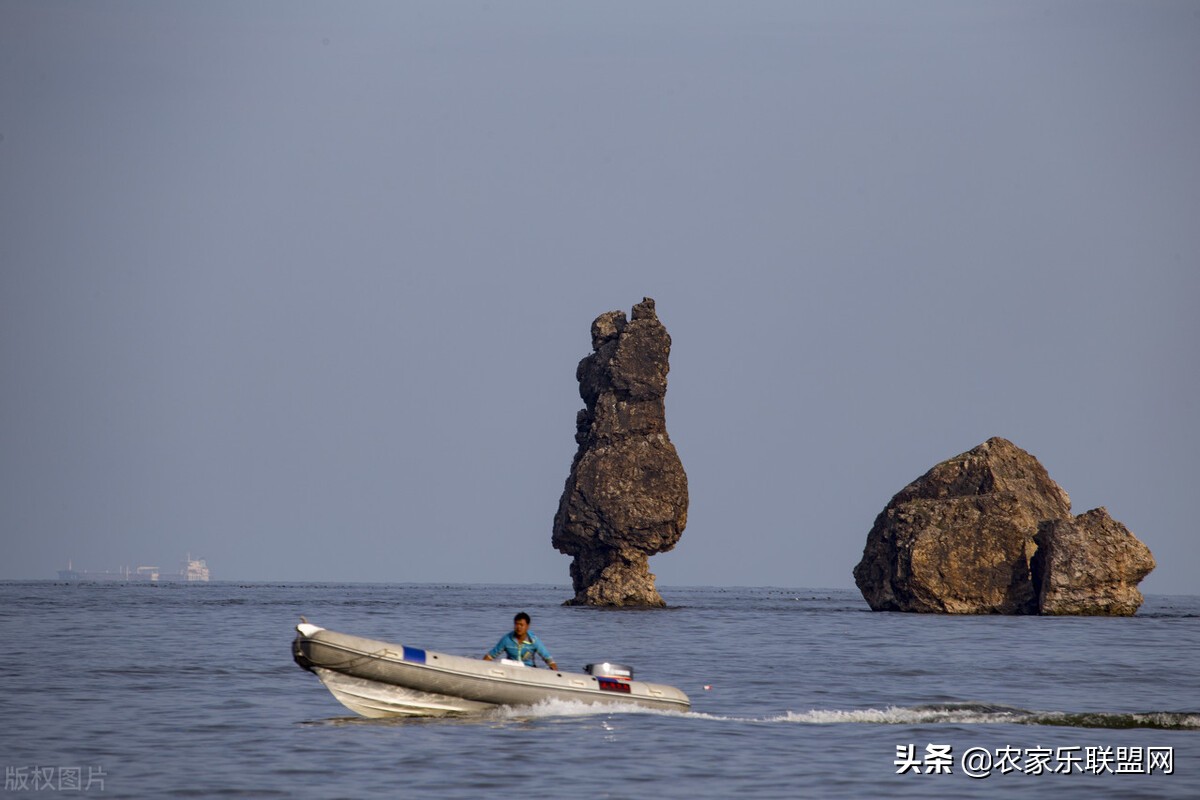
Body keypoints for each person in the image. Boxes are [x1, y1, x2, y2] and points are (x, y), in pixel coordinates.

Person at [483, 612, 557, 670]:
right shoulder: (507, 639)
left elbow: (547, 658)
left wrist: (554, 669)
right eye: (516, 624)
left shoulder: (534, 641)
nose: (518, 627)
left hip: (529, 670)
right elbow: (491, 655)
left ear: (527, 626)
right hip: (510, 669)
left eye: (521, 625)